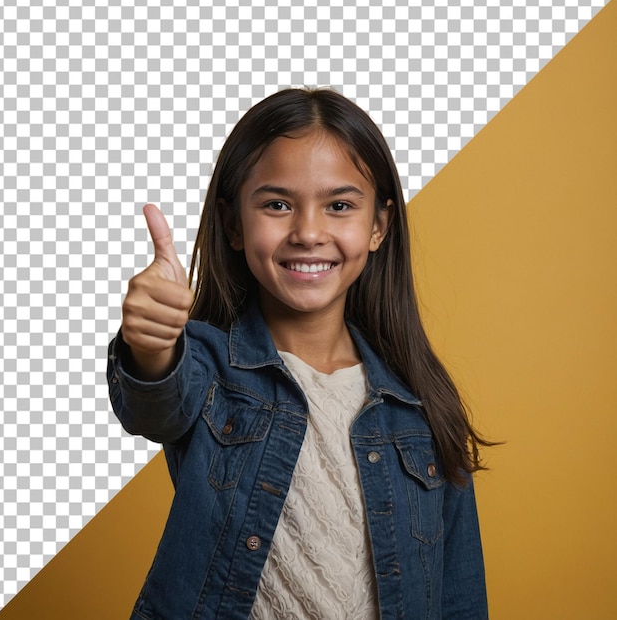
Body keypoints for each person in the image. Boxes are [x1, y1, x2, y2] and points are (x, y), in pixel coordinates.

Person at [107, 88, 490, 619]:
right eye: (277, 205)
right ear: (233, 224)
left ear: (378, 226)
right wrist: (151, 344)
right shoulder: (211, 367)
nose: (308, 233)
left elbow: (460, 595)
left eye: (339, 206)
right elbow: (156, 402)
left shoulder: (418, 404)